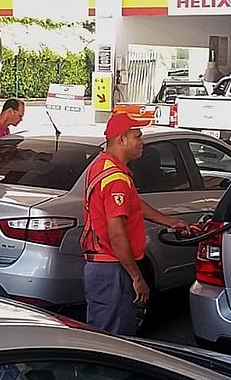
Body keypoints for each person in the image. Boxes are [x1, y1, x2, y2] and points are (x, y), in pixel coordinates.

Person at [80, 112, 189, 335]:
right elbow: (117, 234)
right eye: (137, 137)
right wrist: (137, 277)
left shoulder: (101, 166)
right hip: (112, 269)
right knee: (114, 340)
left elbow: (132, 204)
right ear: (122, 140)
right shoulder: (116, 179)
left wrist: (170, 222)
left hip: (102, 268)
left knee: (103, 333)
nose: (142, 143)